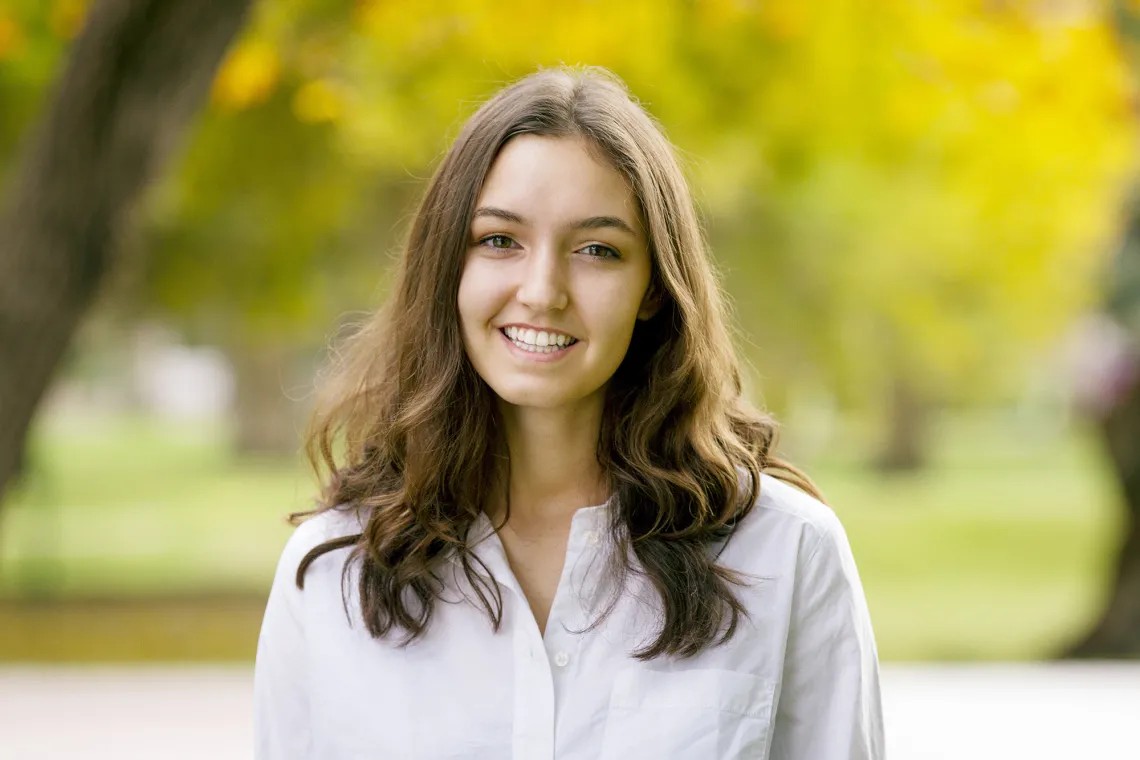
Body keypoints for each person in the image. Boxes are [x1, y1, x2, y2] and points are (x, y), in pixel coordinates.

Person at [253, 65, 884, 760]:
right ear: (447, 268)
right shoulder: (332, 570)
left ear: (653, 287)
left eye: (597, 250)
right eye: (499, 240)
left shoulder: (787, 554)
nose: (542, 290)